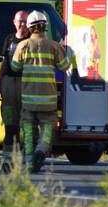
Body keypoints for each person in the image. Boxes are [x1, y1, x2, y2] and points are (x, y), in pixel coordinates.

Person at [10, 11, 74, 173]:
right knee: (47, 130)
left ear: (30, 28)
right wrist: (70, 55)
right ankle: (41, 150)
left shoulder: (23, 46)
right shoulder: (54, 46)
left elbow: (15, 67)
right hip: (48, 100)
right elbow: (65, 67)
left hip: (28, 101)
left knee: (29, 131)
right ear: (45, 27)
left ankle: (30, 162)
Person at [0, 10, 29, 169]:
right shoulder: (9, 39)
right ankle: (7, 161)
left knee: (25, 126)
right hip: (9, 85)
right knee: (10, 125)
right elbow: (3, 63)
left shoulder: (31, 41)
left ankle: (23, 160)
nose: (23, 25)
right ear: (14, 22)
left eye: (25, 21)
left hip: (25, 85)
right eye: (20, 21)